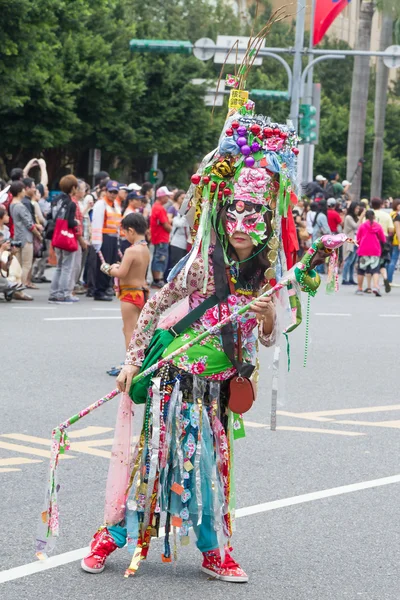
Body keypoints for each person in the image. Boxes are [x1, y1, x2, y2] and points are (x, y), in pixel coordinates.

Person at [79, 95, 329, 582]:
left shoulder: (266, 278)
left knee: (209, 472)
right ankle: (113, 537)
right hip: (174, 379)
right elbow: (153, 306)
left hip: (216, 389)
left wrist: (266, 319)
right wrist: (133, 359)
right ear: (222, 212)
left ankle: (215, 549)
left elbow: (267, 340)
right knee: (154, 465)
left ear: (267, 221)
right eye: (234, 212)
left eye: (254, 215)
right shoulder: (198, 264)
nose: (241, 226)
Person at [100, 213, 150, 349]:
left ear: (131, 231)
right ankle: (138, 362)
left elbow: (121, 273)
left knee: (129, 332)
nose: (125, 236)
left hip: (130, 295)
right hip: (142, 293)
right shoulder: (145, 249)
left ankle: (129, 365)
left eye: (125, 232)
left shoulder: (131, 250)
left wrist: (108, 268)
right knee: (138, 332)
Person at [48, 175, 80, 304]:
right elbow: (70, 222)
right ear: (72, 187)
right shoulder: (70, 203)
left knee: (59, 266)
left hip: (56, 235)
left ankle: (54, 293)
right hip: (67, 237)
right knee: (67, 266)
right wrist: (76, 222)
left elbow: (51, 216)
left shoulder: (55, 200)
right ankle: (64, 294)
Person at [9, 181, 42, 297]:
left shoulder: (12, 204)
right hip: (26, 237)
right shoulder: (20, 206)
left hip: (17, 236)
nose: (24, 191)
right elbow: (29, 224)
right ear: (19, 192)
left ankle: (15, 287)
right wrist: (38, 235)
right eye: (23, 189)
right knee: (26, 264)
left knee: (17, 264)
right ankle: (19, 289)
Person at [91, 180, 122, 301]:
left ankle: (105, 288)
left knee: (110, 263)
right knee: (102, 265)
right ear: (106, 191)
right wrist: (97, 242)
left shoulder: (116, 205)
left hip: (113, 238)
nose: (113, 194)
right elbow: (97, 223)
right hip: (104, 238)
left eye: (115, 192)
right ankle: (99, 291)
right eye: (111, 192)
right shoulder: (101, 204)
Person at [356, 210, 386, 297]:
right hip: (375, 250)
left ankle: (360, 288)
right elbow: (383, 239)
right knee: (375, 270)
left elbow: (358, 238)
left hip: (363, 250)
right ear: (374, 216)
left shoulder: (362, 226)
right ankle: (376, 287)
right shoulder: (378, 226)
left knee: (361, 270)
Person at [149, 186, 172, 287]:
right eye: (167, 196)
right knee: (160, 258)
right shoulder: (160, 208)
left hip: (158, 237)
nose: (168, 198)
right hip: (161, 238)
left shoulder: (155, 206)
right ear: (162, 197)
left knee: (157, 257)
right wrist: (172, 229)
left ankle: (156, 279)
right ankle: (157, 280)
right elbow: (165, 224)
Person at [342, 202, 364, 285]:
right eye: (357, 208)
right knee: (348, 260)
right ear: (353, 208)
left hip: (355, 241)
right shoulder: (348, 217)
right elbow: (356, 226)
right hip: (350, 241)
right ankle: (344, 278)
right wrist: (361, 216)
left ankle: (351, 278)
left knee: (353, 261)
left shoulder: (354, 217)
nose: (358, 210)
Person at [388, 199, 400, 285]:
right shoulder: (396, 215)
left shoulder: (391, 214)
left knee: (393, 259)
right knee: (393, 259)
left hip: (394, 238)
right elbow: (397, 229)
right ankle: (389, 280)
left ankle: (389, 279)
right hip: (396, 239)